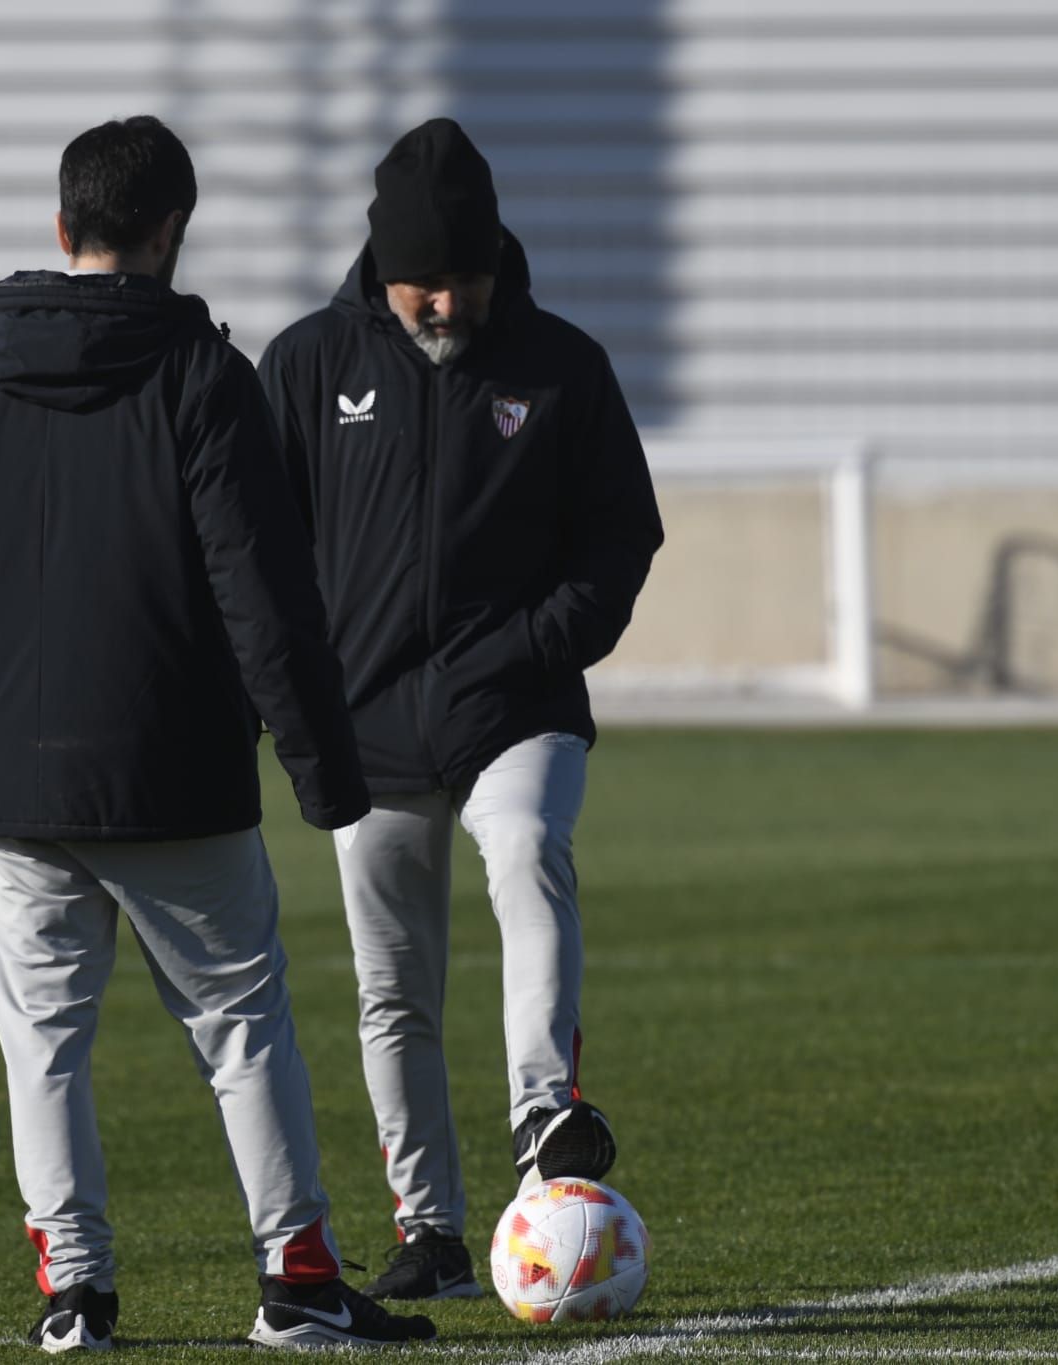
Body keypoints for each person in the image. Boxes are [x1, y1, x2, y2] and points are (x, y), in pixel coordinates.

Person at [0, 115, 434, 1352]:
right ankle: (294, 1280)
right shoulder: (201, 376)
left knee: (45, 1046)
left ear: (61, 225)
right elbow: (262, 593)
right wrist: (320, 764)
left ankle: (73, 1293)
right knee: (240, 1030)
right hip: (171, 769)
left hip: (7, 778)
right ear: (172, 230)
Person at [257, 118, 665, 1301]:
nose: (444, 302)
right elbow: (258, 554)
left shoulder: (562, 366)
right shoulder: (304, 366)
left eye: (464, 278)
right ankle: (429, 1231)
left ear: (497, 260)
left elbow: (617, 545)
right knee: (393, 989)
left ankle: (545, 1115)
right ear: (377, 266)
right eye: (422, 281)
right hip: (362, 729)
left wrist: (525, 652)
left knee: (529, 849)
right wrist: (288, 701)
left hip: (516, 710)